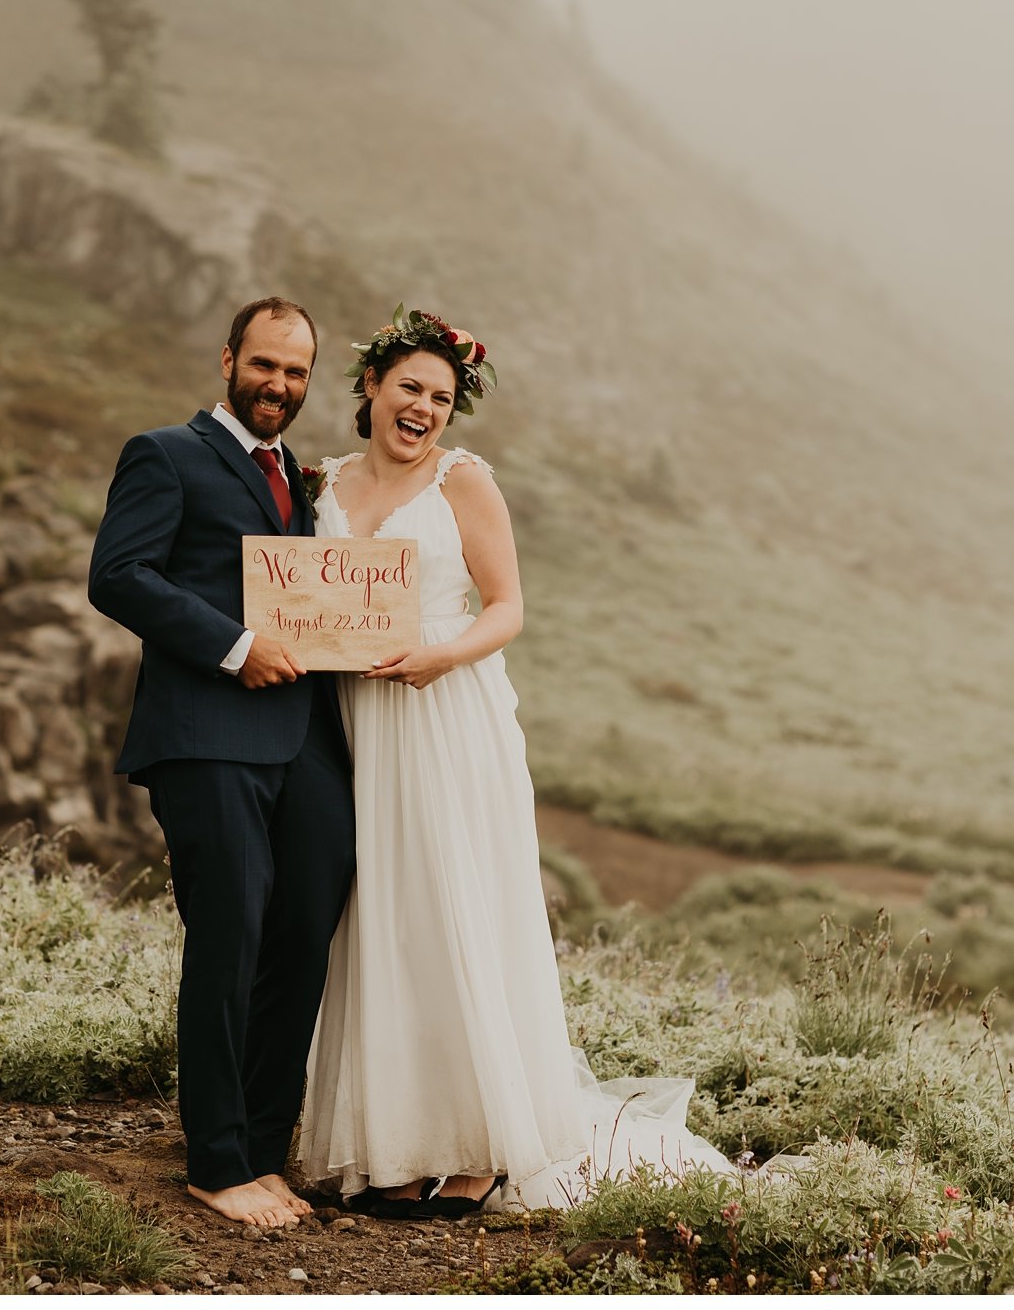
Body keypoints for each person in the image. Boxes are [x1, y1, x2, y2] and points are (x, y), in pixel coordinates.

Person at [297, 307, 733, 1215]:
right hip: (357, 721)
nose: (423, 407)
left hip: (446, 713)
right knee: (381, 916)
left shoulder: (464, 482)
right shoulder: (321, 484)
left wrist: (440, 657)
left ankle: (483, 1143)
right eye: (410, 387)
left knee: (456, 903)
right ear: (370, 387)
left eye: (442, 398)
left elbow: (507, 607)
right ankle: (396, 1136)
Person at [87, 297, 356, 1230]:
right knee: (230, 935)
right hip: (206, 732)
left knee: (304, 929)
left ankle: (261, 1146)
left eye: (295, 371)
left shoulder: (303, 482)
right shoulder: (164, 454)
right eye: (264, 365)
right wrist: (236, 646)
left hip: (307, 736)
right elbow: (118, 575)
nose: (278, 384)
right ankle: (213, 1159)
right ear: (228, 360)